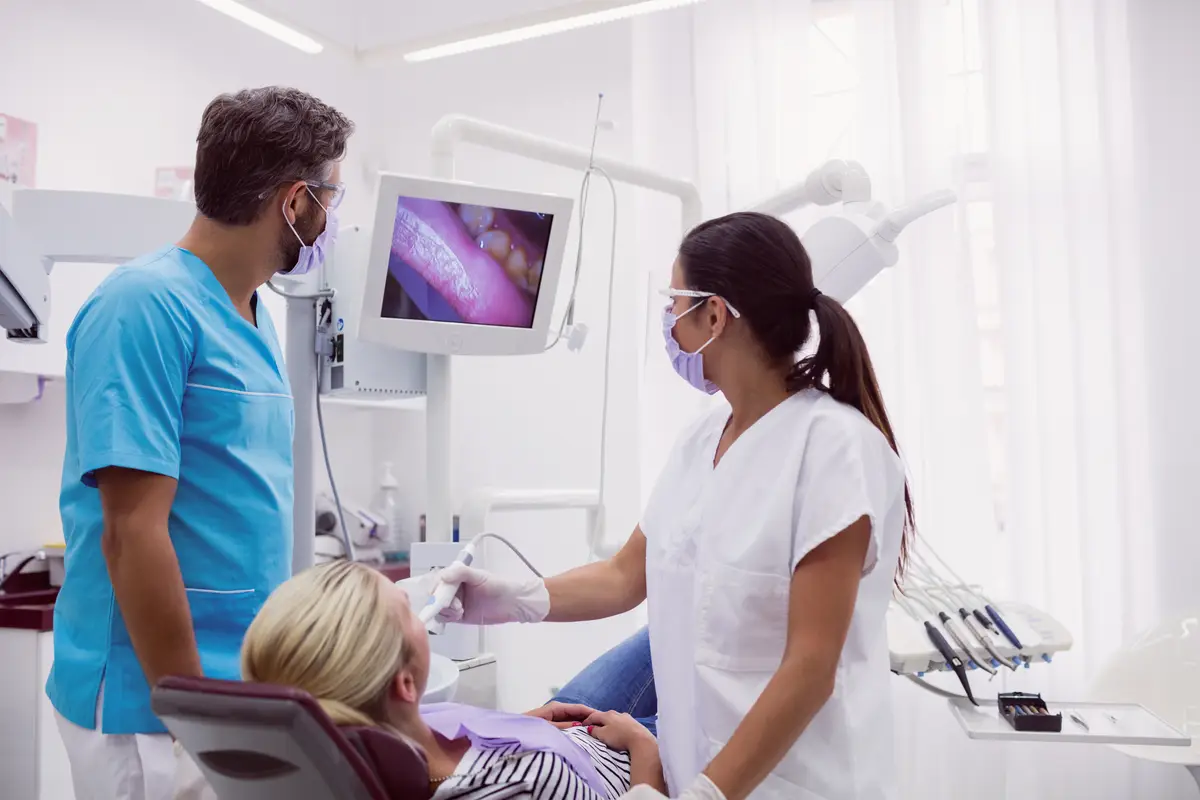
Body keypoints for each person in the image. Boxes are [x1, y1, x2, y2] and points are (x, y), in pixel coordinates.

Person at [436, 211, 915, 800]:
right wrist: (508, 599)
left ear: (714, 314)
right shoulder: (703, 438)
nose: (669, 322)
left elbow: (812, 666)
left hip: (797, 783)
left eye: (675, 302)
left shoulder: (836, 449)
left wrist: (708, 795)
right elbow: (624, 576)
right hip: (698, 770)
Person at [46, 86, 354, 800]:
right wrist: (197, 716)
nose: (331, 219)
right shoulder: (142, 306)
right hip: (151, 705)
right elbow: (131, 532)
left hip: (231, 687)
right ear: (293, 200)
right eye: (330, 198)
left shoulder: (252, 317)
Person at [239, 560, 669, 799]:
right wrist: (644, 750)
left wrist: (518, 726)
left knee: (670, 626)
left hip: (551, 736)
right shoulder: (513, 786)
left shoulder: (381, 737)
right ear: (405, 685)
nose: (420, 605)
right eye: (406, 609)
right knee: (699, 649)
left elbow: (456, 757)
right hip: (625, 764)